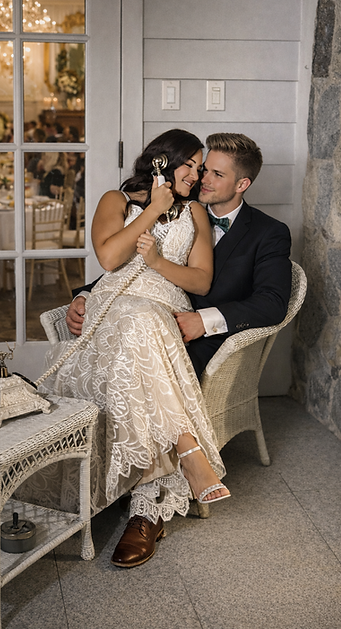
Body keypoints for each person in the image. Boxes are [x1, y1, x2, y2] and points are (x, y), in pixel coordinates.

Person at [40, 129, 230, 568]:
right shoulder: (115, 200)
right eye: (190, 165)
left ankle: (146, 504)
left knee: (143, 321)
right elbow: (108, 260)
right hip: (113, 305)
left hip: (162, 305)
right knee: (134, 324)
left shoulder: (197, 212)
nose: (197, 175)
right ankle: (181, 456)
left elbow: (201, 280)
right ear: (162, 162)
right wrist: (153, 210)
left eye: (201, 168)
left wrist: (161, 263)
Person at [68, 132, 292, 377]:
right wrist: (86, 294)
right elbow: (135, 267)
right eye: (204, 169)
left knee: (135, 361)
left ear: (242, 185)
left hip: (207, 342)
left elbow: (273, 303)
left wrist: (204, 321)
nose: (202, 179)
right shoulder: (182, 212)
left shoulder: (268, 232)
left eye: (217, 175)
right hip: (144, 319)